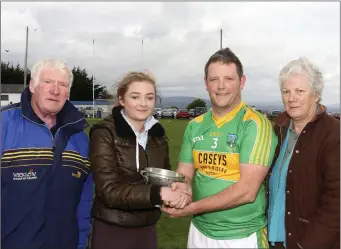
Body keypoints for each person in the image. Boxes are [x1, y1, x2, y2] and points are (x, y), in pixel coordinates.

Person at [162, 47, 278, 248]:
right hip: (199, 232)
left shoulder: (255, 124)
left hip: (241, 236)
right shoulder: (195, 125)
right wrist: (182, 191)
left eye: (229, 79)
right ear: (205, 83)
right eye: (214, 79)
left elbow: (247, 191)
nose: (221, 86)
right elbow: (185, 174)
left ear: (242, 82)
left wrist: (191, 208)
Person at [89, 71, 190, 249]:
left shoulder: (158, 135)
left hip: (147, 228)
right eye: (135, 97)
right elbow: (108, 191)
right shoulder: (104, 133)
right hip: (113, 228)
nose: (143, 104)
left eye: (149, 97)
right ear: (121, 99)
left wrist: (177, 188)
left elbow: (163, 177)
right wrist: (158, 194)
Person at [1, 59, 93, 249]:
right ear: (33, 85)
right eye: (48, 82)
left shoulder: (80, 138)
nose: (55, 90)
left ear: (68, 92)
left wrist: (81, 242)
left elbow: (84, 200)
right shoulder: (4, 124)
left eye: (62, 84)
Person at [267, 57, 340, 249]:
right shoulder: (279, 130)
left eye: (299, 91)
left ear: (315, 95)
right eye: (286, 91)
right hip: (273, 240)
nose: (291, 98)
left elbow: (336, 203)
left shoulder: (333, 134)